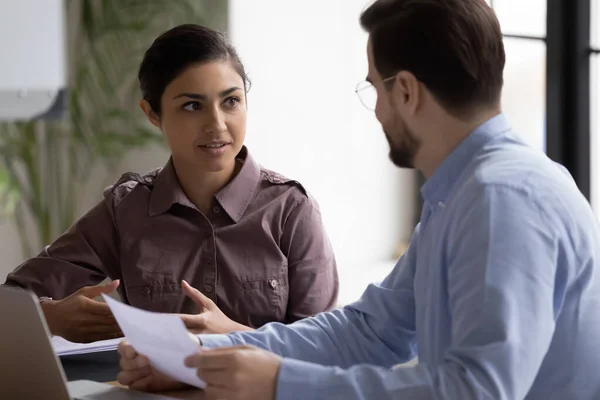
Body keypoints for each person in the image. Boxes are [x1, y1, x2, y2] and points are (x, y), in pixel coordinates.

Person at [117, 1, 600, 399]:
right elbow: (370, 331)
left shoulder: (502, 200)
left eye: (374, 88)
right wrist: (198, 358)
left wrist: (282, 382)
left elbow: (476, 390)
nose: (378, 111)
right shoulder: (463, 194)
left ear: (406, 91)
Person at [3, 24, 338, 344]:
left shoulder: (291, 210)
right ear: (152, 114)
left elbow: (325, 346)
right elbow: (13, 299)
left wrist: (237, 336)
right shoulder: (126, 210)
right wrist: (50, 317)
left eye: (231, 101)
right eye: (192, 105)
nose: (217, 124)